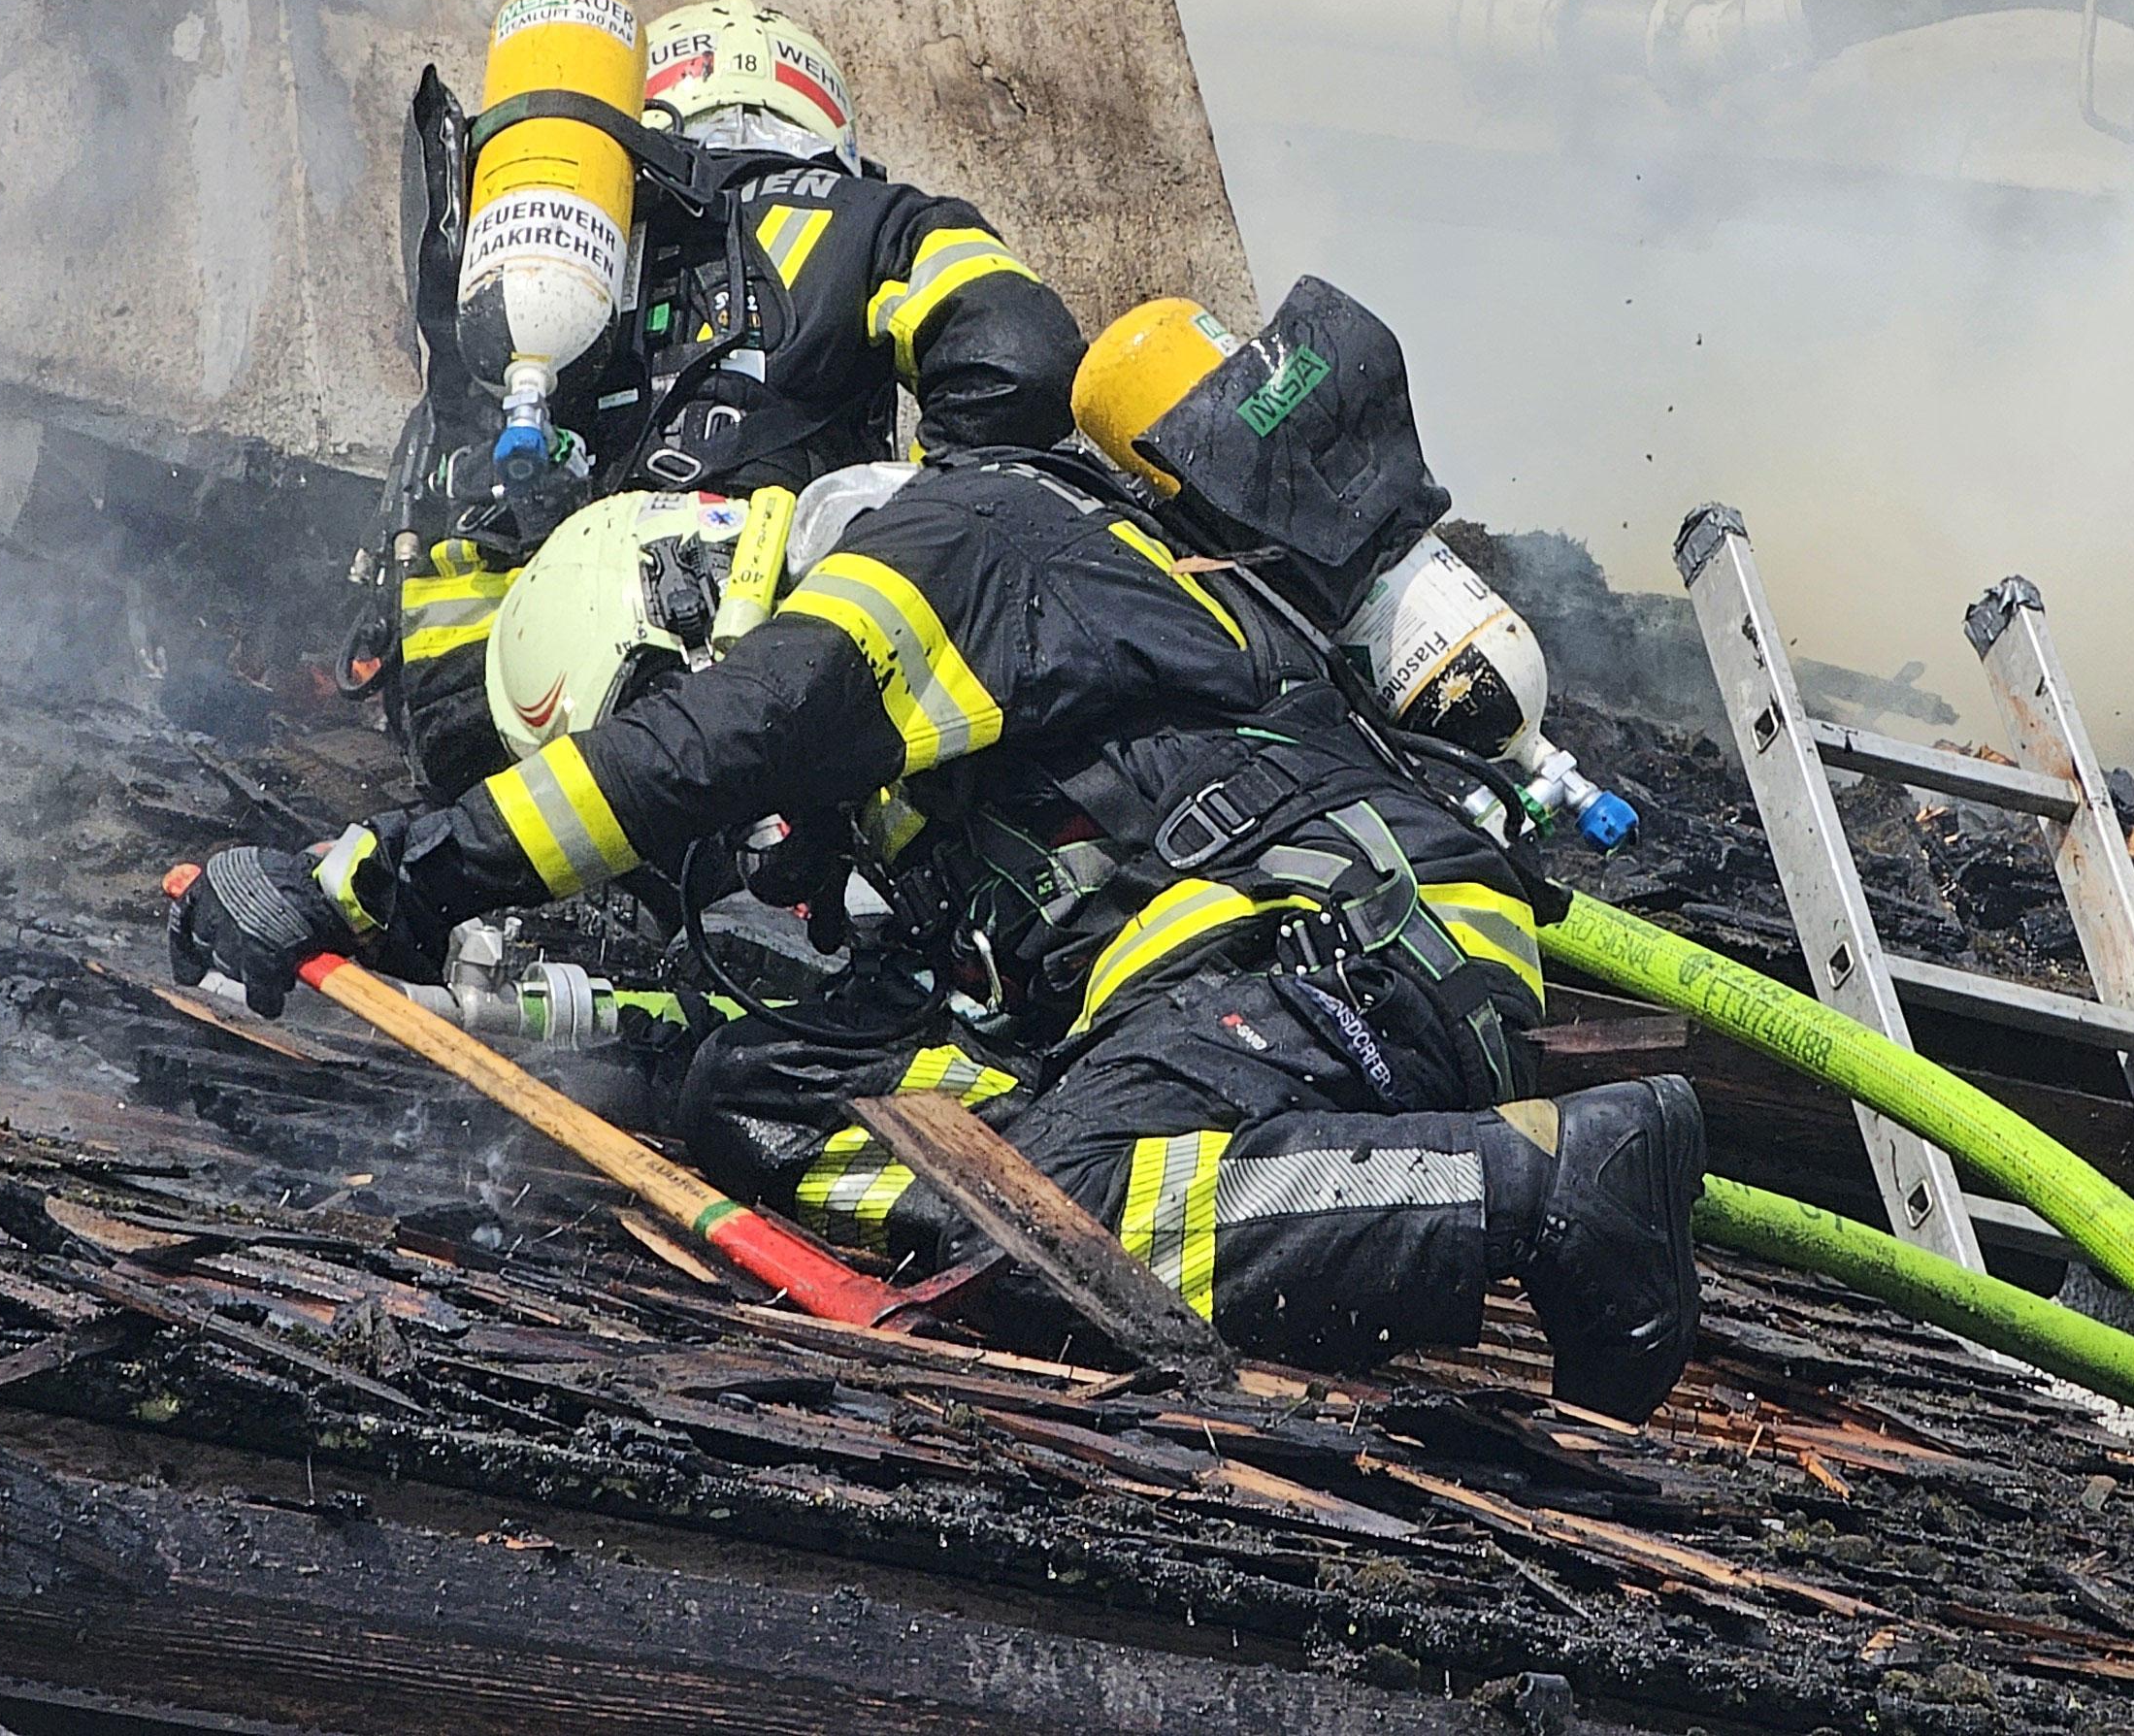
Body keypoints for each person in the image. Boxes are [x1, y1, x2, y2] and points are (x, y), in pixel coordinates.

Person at [183, 278, 1703, 1414]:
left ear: (693, 610)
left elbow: (700, 754)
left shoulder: (954, 543)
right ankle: (1302, 1199)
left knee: (1075, 1222)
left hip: (1328, 947)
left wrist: (372, 881)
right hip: (1268, 973)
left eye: (662, 692)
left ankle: (1547, 1183)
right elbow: (836, 1026)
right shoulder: (947, 719)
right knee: (762, 1093)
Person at [378, 0, 1085, 802]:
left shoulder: (533, 292)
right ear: (823, 119)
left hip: (536, 773)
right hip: (785, 710)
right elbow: (1024, 364)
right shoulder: (878, 222)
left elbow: (434, 628)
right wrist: (902, 523)